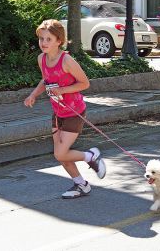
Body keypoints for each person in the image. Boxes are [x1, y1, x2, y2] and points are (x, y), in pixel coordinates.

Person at [24, 19, 106, 199]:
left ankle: (90, 156)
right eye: (41, 39)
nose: (43, 43)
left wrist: (62, 90)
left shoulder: (67, 60)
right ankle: (81, 185)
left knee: (60, 152)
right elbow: (46, 80)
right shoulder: (41, 59)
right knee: (61, 155)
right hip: (58, 111)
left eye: (48, 39)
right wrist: (34, 95)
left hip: (74, 112)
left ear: (59, 41)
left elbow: (84, 83)